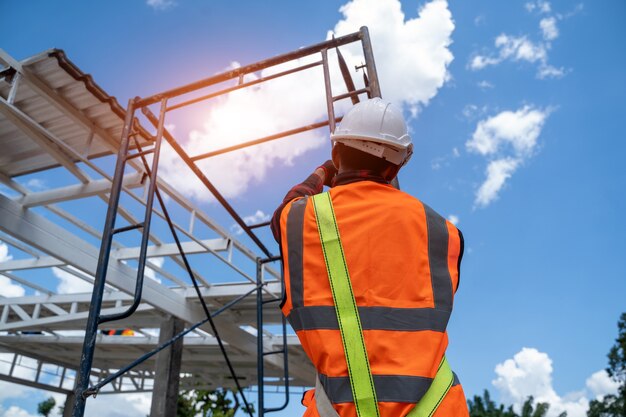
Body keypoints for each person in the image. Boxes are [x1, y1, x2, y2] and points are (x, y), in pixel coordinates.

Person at [271, 98, 469, 417]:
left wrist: (324, 171)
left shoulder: (300, 219)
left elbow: (289, 204)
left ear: (337, 154)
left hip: (336, 410)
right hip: (438, 409)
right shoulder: (445, 232)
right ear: (396, 167)